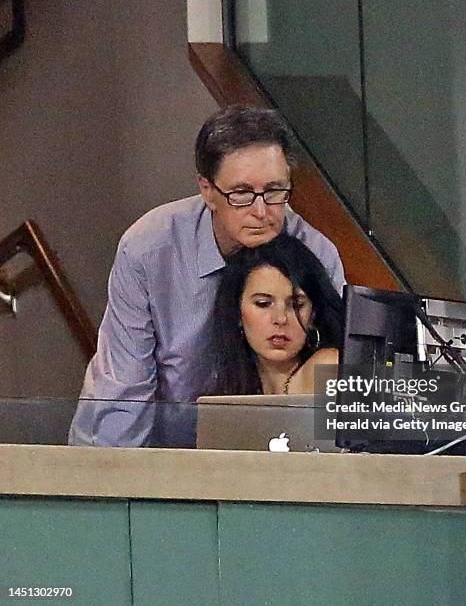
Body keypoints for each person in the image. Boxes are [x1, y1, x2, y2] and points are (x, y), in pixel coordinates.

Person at [68, 104, 345, 447]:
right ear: (207, 190)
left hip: (265, 456)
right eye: (242, 193)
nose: (261, 211)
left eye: (274, 191)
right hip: (161, 454)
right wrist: (110, 483)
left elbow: (348, 399)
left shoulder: (317, 254)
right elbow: (125, 387)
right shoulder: (149, 248)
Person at [206, 234, 343, 397]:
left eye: (296, 305)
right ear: (237, 313)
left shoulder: (329, 367)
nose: (280, 319)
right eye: (263, 304)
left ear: (313, 314)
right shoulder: (230, 386)